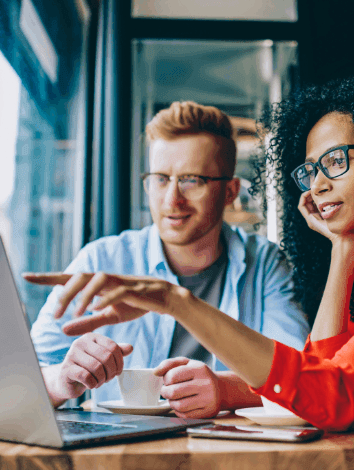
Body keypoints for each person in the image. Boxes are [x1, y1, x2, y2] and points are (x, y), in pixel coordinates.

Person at [25, 69, 354, 468]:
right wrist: (341, 251)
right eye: (310, 170)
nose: (316, 186)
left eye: (335, 162)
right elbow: (323, 377)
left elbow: (335, 395)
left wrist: (176, 302)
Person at [28, 101, 310, 418]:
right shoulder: (102, 259)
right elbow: (23, 379)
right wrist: (62, 380)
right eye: (161, 179)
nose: (171, 199)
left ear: (230, 192)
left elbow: (302, 376)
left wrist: (225, 390)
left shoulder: (265, 263)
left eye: (191, 180)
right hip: (122, 457)